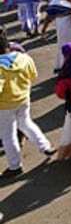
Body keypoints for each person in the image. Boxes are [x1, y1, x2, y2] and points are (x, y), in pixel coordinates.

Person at [0, 35, 55, 177]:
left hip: (5, 105)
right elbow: (33, 75)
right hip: (24, 99)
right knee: (26, 123)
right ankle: (45, 146)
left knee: (8, 135)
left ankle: (15, 166)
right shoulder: (24, 58)